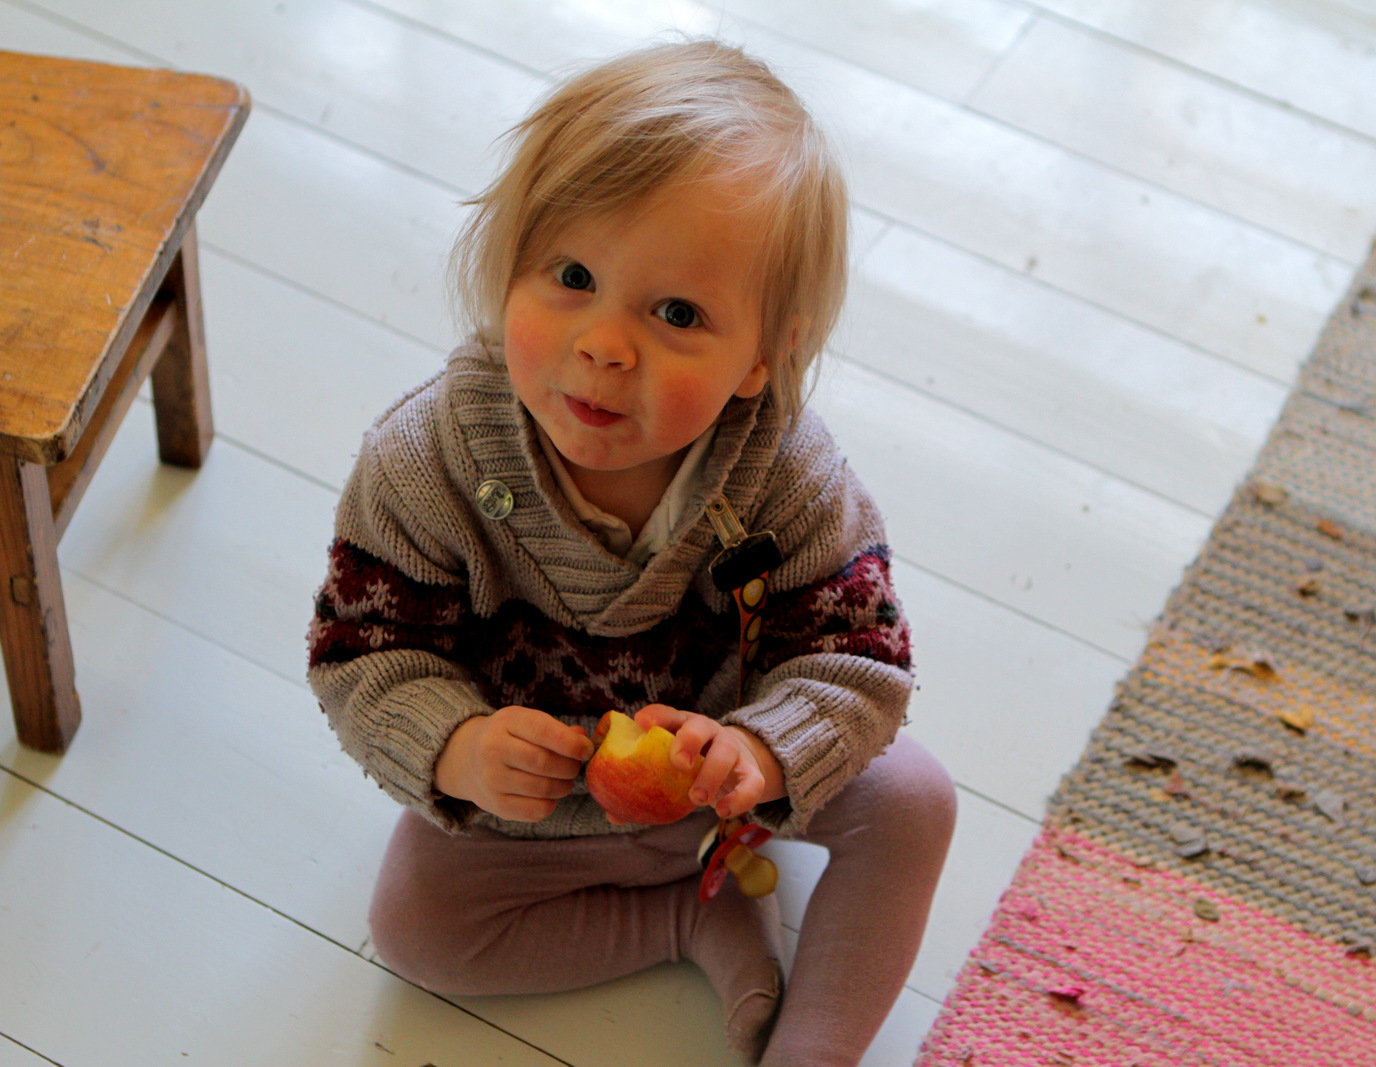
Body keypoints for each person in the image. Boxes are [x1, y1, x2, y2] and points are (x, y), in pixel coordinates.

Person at [307, 38, 956, 1066]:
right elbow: (362, 653)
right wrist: (457, 748)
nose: (605, 344)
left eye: (677, 312)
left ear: (766, 357)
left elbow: (859, 658)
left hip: (729, 796)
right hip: (534, 817)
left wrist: (764, 751)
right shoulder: (426, 461)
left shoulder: (790, 475)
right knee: (416, 928)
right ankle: (686, 922)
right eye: (572, 276)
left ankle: (814, 1050)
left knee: (915, 802)